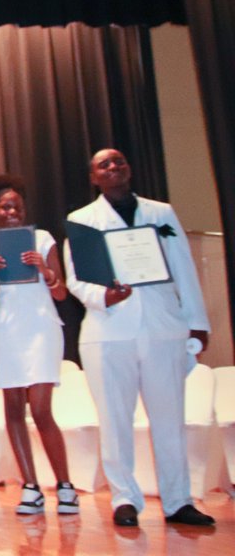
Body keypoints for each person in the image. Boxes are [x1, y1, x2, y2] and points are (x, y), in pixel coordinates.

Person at [65, 148, 215, 528]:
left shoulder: (160, 213)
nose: (114, 167)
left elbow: (184, 266)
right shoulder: (82, 220)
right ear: (94, 178)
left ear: (129, 169)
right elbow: (76, 278)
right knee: (115, 419)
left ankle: (178, 500)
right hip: (109, 331)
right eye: (104, 165)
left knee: (169, 418)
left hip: (163, 327)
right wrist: (104, 297)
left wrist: (197, 322)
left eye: (119, 161)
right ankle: (124, 498)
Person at [0, 175, 78, 515]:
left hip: (41, 328)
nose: (13, 211)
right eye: (5, 206)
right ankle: (30, 487)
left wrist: (44, 270)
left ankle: (65, 485)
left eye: (17, 206)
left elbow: (61, 292)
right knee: (14, 408)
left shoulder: (43, 239)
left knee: (42, 408)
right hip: (6, 331)